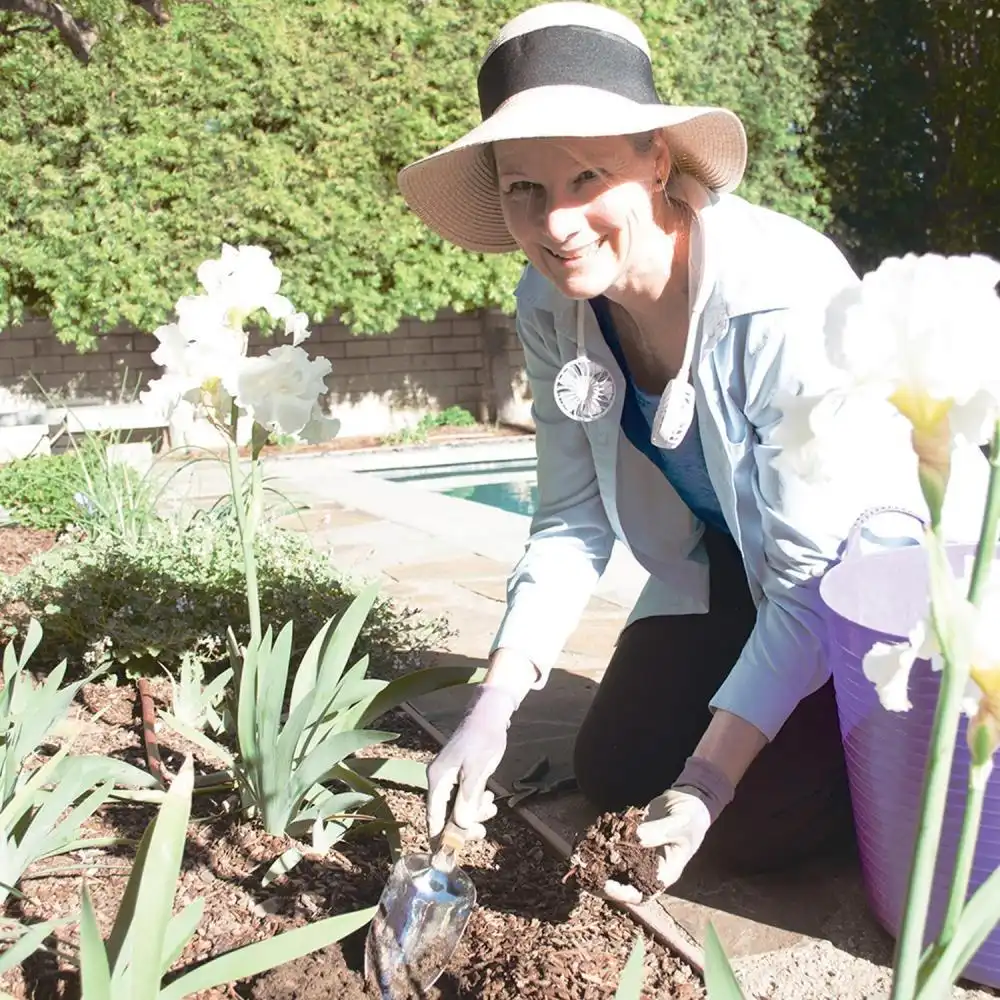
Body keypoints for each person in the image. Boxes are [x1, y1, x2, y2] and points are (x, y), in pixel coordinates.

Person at [396, 0, 988, 900]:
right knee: (618, 769)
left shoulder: (779, 300)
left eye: (587, 175)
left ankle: (898, 764)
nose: (558, 223)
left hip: (873, 583)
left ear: (659, 162)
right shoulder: (550, 304)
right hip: (730, 566)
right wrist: (494, 705)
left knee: (748, 823)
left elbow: (811, 576)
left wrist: (709, 781)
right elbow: (569, 520)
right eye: (524, 189)